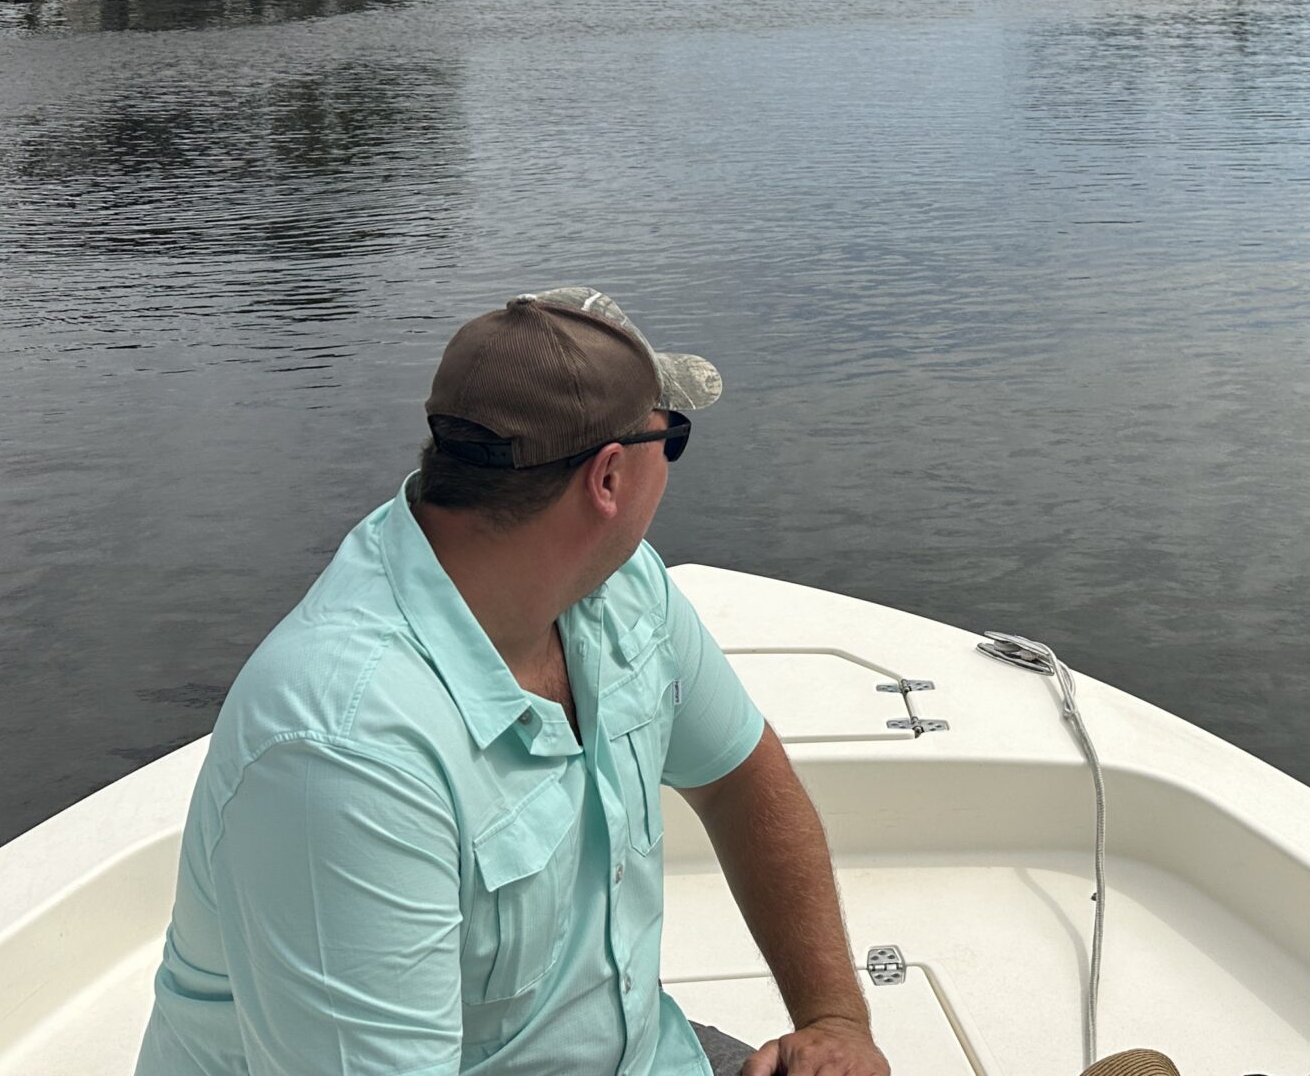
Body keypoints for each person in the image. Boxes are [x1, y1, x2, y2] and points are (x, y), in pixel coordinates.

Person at [135, 287, 888, 1076]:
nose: (670, 463)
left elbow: (739, 778)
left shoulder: (623, 588)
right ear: (608, 478)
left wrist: (834, 1020)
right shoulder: (343, 751)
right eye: (670, 439)